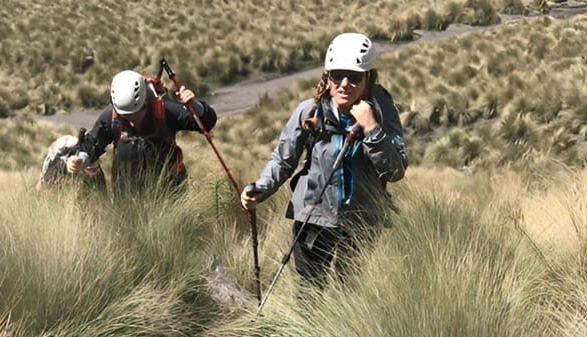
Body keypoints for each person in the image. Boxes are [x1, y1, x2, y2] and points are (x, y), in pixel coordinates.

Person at [240, 32, 408, 300]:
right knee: (310, 295)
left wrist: (372, 128)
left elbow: (395, 171)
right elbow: (284, 159)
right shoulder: (309, 112)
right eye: (336, 76)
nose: (344, 84)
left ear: (368, 79)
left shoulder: (383, 112)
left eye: (354, 77)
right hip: (313, 218)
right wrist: (260, 189)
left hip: (362, 223)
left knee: (348, 294)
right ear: (327, 77)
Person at [37, 70, 217, 190]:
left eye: (135, 113)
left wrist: (195, 106)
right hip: (127, 192)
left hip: (171, 190)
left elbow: (206, 122)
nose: (130, 119)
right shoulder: (113, 116)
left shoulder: (166, 110)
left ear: (146, 103)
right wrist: (80, 159)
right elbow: (93, 142)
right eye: (125, 115)